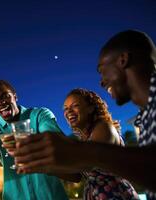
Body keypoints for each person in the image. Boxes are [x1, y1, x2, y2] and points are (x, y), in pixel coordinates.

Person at [14, 30, 156, 197]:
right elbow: (78, 173)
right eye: (65, 110)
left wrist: (74, 150)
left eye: (102, 71)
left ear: (123, 60)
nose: (102, 81)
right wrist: (43, 164)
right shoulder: (144, 116)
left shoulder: (105, 128)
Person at [0, 80, 68, 200]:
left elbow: (57, 141)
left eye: (5, 96)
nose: (0, 102)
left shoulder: (39, 115)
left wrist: (30, 146)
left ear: (15, 96)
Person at [63, 88, 138, 199]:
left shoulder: (104, 127)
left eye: (75, 105)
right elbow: (75, 175)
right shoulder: (87, 139)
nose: (68, 111)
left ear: (90, 108)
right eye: (66, 108)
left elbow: (86, 162)